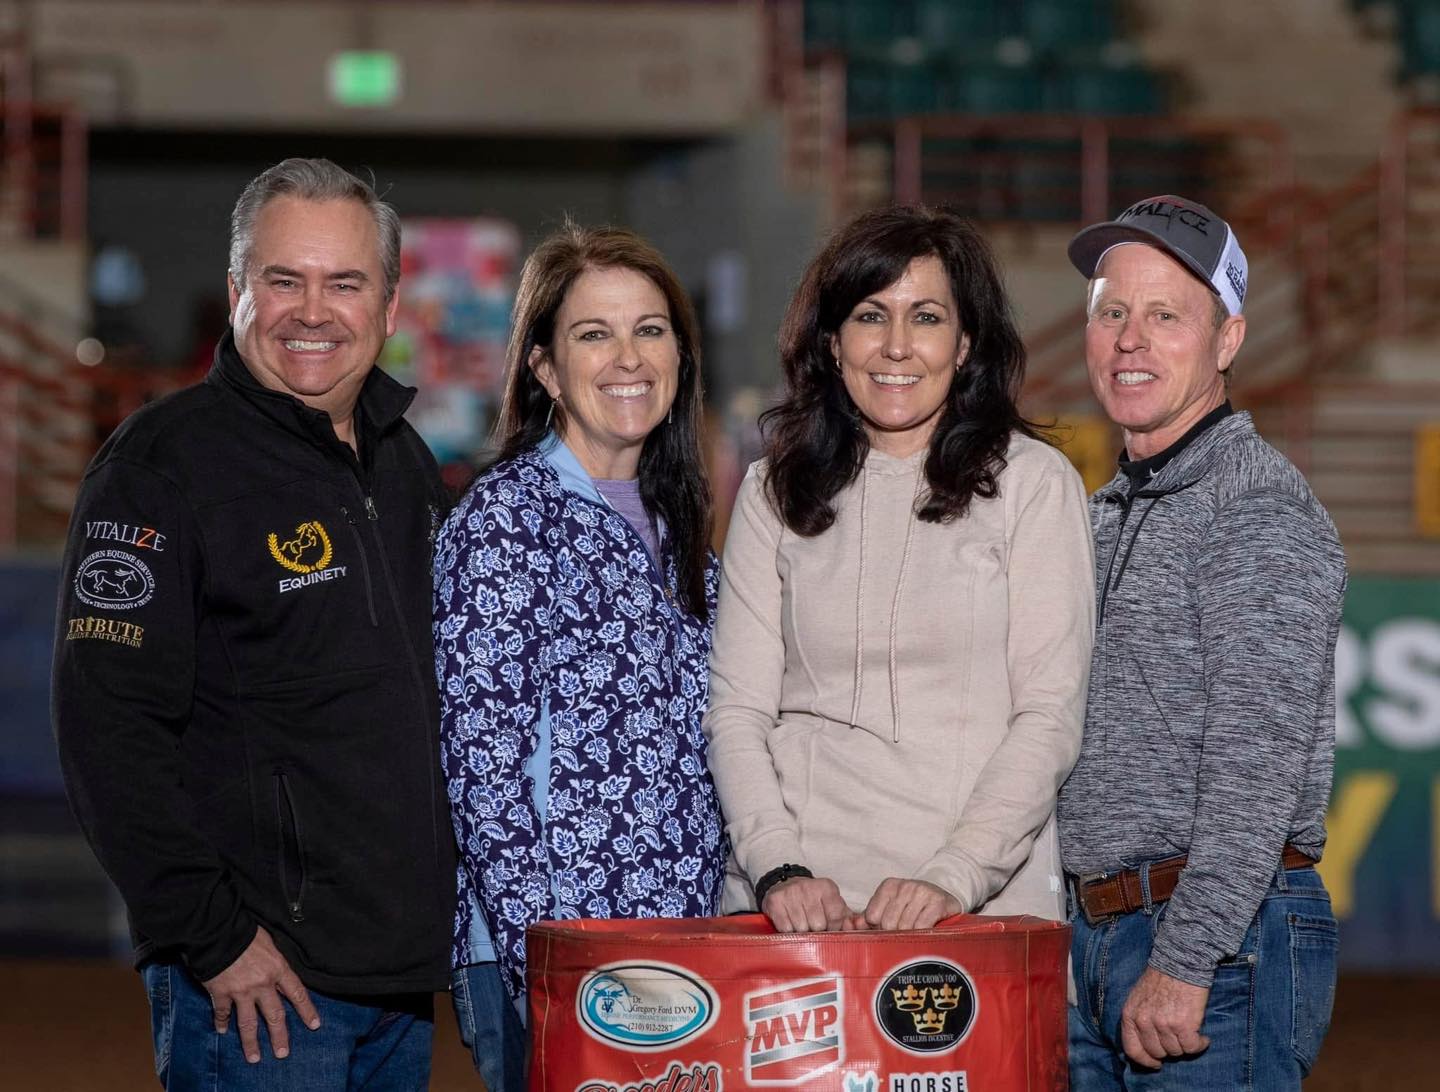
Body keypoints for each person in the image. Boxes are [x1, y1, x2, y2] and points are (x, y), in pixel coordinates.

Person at [52, 158, 457, 1090]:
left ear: (389, 306)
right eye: (284, 280)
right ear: (238, 289)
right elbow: (106, 730)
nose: (312, 312)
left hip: (398, 983)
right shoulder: (161, 467)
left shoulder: (405, 464)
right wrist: (214, 936)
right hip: (258, 990)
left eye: (344, 283)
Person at [703, 205, 1094, 935]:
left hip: (972, 912)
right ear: (832, 341)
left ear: (965, 342)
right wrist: (777, 868)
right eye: (870, 315)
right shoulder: (772, 491)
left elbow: (1049, 716)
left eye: (926, 317)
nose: (896, 346)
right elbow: (738, 711)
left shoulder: (1034, 485)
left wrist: (954, 875)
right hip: (791, 913)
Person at [1057, 195, 1347, 1089]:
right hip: (1098, 936)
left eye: (1165, 315)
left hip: (1215, 942)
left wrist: (1186, 960)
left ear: (1228, 341)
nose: (1130, 339)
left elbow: (1255, 768)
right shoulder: (1100, 513)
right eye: (1112, 312)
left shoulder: (1257, 507)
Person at [433, 223, 727, 1086]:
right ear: (547, 370)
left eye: (650, 330)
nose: (628, 358)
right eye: (594, 334)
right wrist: (548, 966)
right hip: (561, 960)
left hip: (683, 947)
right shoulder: (505, 522)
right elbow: (481, 772)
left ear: (680, 356)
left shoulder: (680, 530)